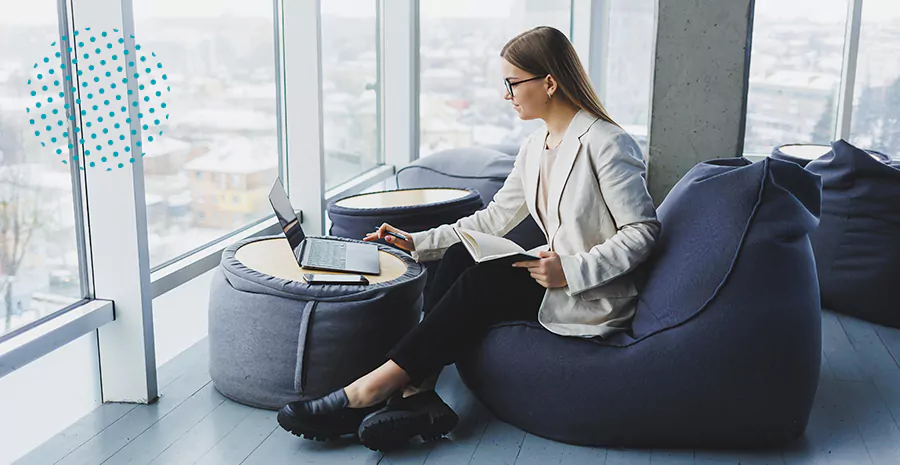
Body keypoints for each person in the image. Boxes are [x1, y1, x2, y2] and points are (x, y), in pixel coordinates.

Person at [276, 25, 661, 451]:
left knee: (484, 282)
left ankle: (368, 391)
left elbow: (642, 231)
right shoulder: (536, 147)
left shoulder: (607, 143)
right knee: (461, 257)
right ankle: (417, 394)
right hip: (552, 273)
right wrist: (417, 241)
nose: (506, 94)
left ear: (549, 82)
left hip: (591, 290)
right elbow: (494, 218)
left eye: (513, 83)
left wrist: (571, 269)